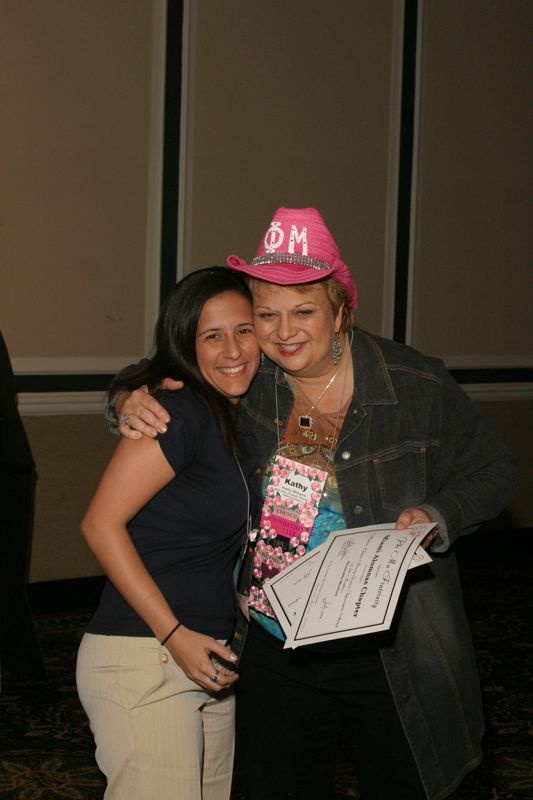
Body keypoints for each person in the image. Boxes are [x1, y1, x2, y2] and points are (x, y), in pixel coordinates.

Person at [108, 208, 517, 800]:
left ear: (340, 308)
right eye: (265, 315)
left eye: (304, 312)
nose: (283, 333)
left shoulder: (413, 384)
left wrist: (438, 515)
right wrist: (126, 394)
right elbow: (160, 370)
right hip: (274, 645)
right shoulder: (247, 384)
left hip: (391, 647)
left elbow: (495, 470)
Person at [76, 267, 260, 800]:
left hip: (208, 658)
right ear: (186, 345)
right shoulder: (176, 412)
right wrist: (173, 635)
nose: (232, 350)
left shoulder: (236, 421)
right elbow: (99, 523)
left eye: (244, 330)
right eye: (211, 335)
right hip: (146, 656)